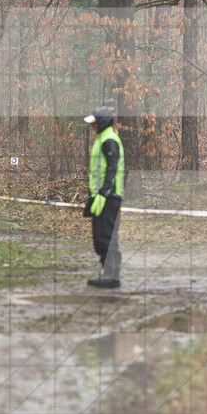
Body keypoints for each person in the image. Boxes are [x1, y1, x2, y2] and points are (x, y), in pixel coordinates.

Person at [82, 107, 124, 288]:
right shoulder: (102, 139)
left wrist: (105, 191)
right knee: (100, 236)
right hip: (101, 196)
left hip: (108, 197)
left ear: (103, 122)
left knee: (107, 236)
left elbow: (112, 168)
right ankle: (107, 272)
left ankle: (111, 275)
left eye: (95, 123)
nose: (93, 126)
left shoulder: (109, 140)